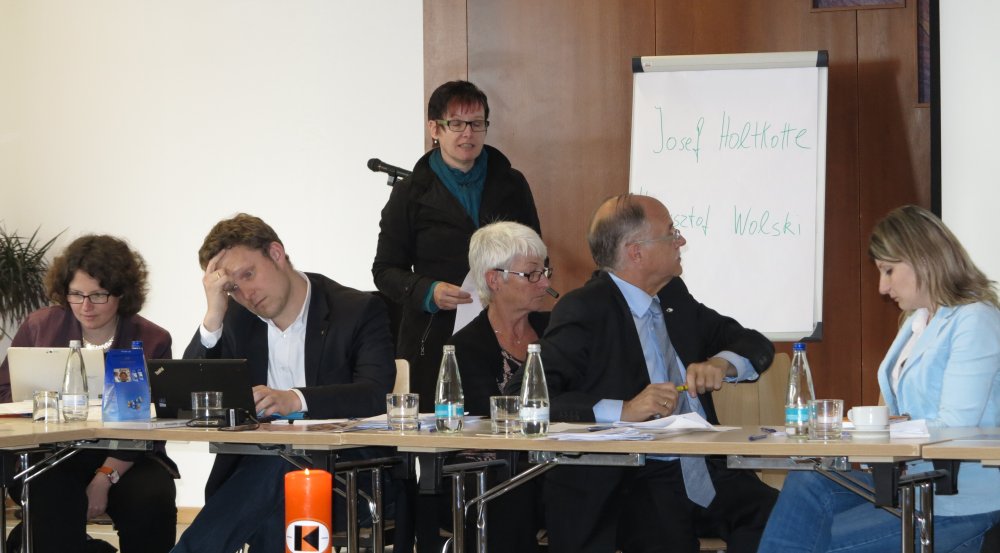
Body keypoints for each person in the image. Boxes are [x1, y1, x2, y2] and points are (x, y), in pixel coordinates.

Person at [533, 194, 778, 553]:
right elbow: (533, 396)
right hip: (638, 476)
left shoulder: (674, 297)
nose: (682, 241)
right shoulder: (584, 309)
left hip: (706, 467)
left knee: (785, 519)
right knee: (665, 537)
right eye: (672, 233)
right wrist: (624, 410)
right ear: (636, 252)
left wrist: (721, 364)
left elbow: (755, 344)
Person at [758, 205, 1000, 553]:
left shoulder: (975, 320)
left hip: (959, 502)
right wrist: (857, 430)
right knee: (809, 479)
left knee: (809, 542)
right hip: (910, 485)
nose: (883, 287)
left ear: (923, 258)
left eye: (888, 271)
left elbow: (955, 427)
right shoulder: (916, 322)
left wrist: (873, 430)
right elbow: (897, 413)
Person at [171, 213, 397, 553]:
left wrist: (295, 400)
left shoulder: (357, 310)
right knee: (279, 488)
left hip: (348, 476)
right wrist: (213, 317)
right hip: (255, 478)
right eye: (232, 288)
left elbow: (375, 394)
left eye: (248, 274)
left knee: (286, 463)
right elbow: (186, 402)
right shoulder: (236, 320)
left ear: (276, 254)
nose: (246, 293)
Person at [0, 234, 178, 553]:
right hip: (49, 454)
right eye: (76, 294)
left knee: (153, 497)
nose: (85, 306)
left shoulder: (152, 339)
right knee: (49, 491)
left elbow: (153, 420)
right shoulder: (40, 327)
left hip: (125, 456)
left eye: (98, 295)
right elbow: (4, 392)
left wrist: (104, 476)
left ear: (121, 292)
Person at [372, 80, 541, 412]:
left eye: (477, 124)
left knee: (508, 420)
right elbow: (384, 270)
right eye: (457, 124)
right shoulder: (410, 193)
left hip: (505, 331)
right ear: (435, 129)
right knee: (443, 427)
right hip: (435, 334)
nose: (468, 134)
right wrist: (428, 290)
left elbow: (536, 252)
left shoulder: (511, 183)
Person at [430, 221, 550, 552]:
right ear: (494, 280)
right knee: (509, 493)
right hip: (487, 468)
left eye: (544, 271)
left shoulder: (556, 330)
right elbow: (489, 419)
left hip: (552, 460)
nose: (545, 282)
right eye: (532, 274)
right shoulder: (464, 347)